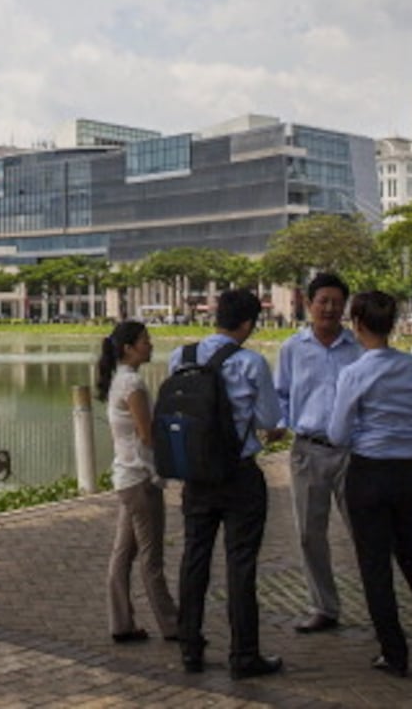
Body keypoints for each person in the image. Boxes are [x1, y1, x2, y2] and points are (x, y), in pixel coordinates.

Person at [325, 290, 412, 678]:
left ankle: (393, 653)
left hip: (369, 473)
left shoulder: (355, 373)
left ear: (357, 324)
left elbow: (336, 433)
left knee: (375, 566)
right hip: (409, 474)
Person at [171, 288, 285, 679]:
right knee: (241, 565)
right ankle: (244, 655)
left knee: (194, 559)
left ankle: (189, 646)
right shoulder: (251, 363)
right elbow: (272, 420)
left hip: (196, 475)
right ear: (250, 323)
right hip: (239, 475)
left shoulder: (180, 358)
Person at [274, 272, 361, 634]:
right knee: (310, 533)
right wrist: (277, 423)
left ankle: (381, 605)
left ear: (345, 307)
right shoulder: (293, 348)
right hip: (308, 451)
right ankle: (324, 606)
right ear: (308, 305)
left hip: (352, 453)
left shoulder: (358, 349)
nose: (329, 308)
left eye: (336, 302)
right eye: (322, 301)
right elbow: (280, 394)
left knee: (365, 532)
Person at [97, 321, 177, 644]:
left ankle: (121, 623)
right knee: (151, 557)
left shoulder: (118, 380)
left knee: (123, 553)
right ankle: (172, 624)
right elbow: (147, 435)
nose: (150, 345)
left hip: (126, 478)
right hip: (141, 479)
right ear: (128, 347)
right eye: (145, 340)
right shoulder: (133, 385)